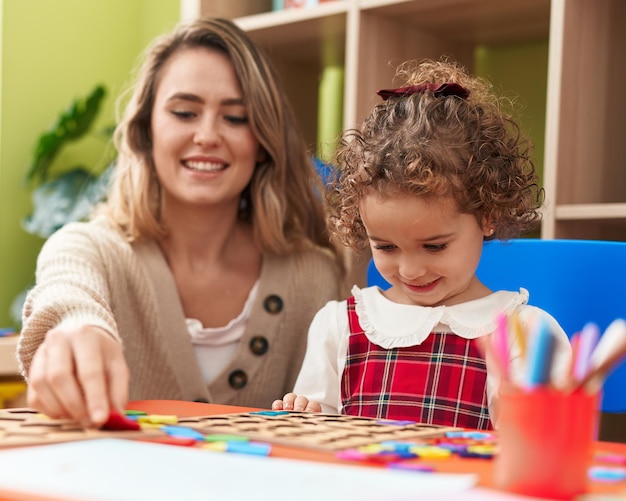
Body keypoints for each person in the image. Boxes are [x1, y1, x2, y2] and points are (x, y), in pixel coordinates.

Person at [17, 17, 346, 428]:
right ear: (146, 131)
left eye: (236, 118)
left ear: (262, 141)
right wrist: (79, 328)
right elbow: (68, 294)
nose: (207, 135)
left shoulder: (314, 276)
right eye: (185, 112)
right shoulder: (89, 247)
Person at [272, 58, 572, 430]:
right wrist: (305, 416)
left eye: (434, 246)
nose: (410, 270)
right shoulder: (340, 326)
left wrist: (529, 422)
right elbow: (313, 440)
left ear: (488, 215)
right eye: (386, 247)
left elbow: (551, 451)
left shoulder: (526, 336)